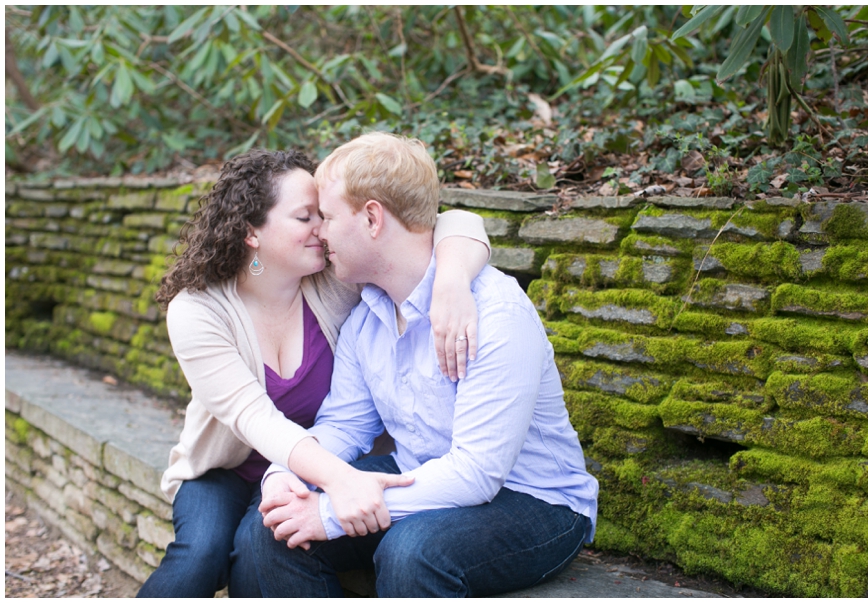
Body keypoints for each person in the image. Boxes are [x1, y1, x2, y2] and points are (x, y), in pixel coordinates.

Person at [252, 133, 599, 598]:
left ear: (373, 218)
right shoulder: (365, 319)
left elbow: (477, 472)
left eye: (329, 217)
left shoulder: (494, 313)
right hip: (420, 469)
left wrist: (331, 513)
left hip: (534, 501)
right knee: (269, 533)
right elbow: (346, 425)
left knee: (413, 550)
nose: (321, 232)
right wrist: (285, 476)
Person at [137, 148, 490, 597]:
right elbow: (255, 420)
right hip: (230, 470)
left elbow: (455, 222)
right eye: (306, 217)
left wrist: (452, 280)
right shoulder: (198, 310)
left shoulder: (334, 280)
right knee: (200, 555)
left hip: (330, 458)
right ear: (251, 232)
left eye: (323, 215)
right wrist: (339, 481)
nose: (323, 229)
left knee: (263, 543)